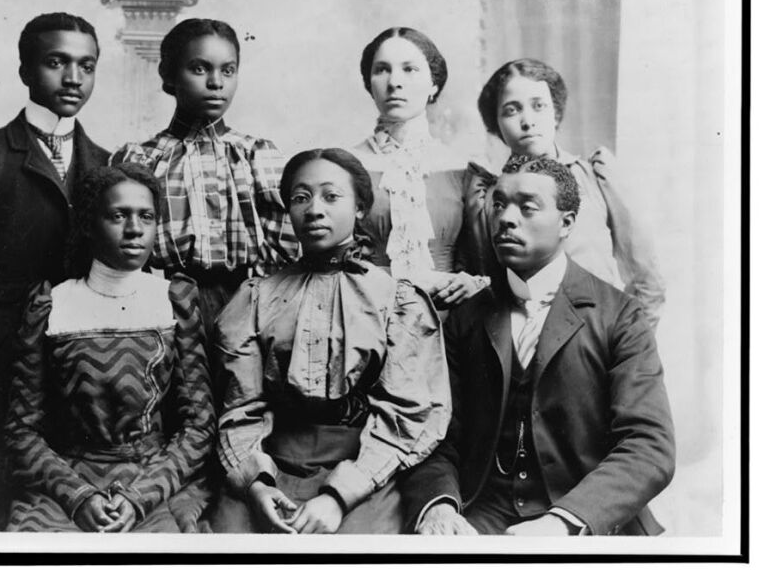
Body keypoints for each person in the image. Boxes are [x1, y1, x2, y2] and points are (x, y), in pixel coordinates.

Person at [401, 155, 675, 536]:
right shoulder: (467, 317)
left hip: (588, 519)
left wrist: (562, 522)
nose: (506, 218)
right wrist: (440, 507)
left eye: (527, 207)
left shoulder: (619, 315)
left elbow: (649, 445)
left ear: (567, 223)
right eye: (499, 205)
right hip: (483, 514)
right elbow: (436, 435)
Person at [0, 12, 110, 530]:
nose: (73, 78)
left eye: (87, 65)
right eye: (56, 62)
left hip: (87, 382)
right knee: (11, 521)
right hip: (5, 383)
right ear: (26, 70)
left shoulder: (105, 162)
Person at [211, 148, 452, 534]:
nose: (314, 209)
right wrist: (256, 486)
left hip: (363, 467)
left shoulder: (395, 300)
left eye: (331, 196)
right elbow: (240, 408)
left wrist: (339, 496)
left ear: (360, 208)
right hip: (270, 460)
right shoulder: (257, 297)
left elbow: (407, 413)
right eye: (300, 198)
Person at [5, 163, 216, 532]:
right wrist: (78, 497)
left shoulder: (174, 301)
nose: (134, 230)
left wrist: (141, 496)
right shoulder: (51, 305)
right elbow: (22, 430)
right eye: (118, 216)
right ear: (89, 224)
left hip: (154, 482)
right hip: (67, 485)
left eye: (146, 217)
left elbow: (199, 425)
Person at [110, 18, 299, 341]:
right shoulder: (141, 159)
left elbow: (286, 252)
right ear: (169, 76)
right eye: (199, 69)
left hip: (249, 310)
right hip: (163, 306)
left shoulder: (255, 155)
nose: (216, 83)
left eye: (228, 70)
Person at [477, 58, 665, 330]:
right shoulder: (486, 197)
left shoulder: (596, 178)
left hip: (596, 343)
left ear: (555, 113)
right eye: (511, 110)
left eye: (538, 106)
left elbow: (646, 278)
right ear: (495, 124)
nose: (528, 121)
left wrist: (630, 351)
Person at [353, 26, 492, 310]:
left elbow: (487, 261)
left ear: (434, 85)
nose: (394, 82)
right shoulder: (344, 166)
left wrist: (472, 282)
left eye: (409, 69)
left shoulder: (466, 170)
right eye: (382, 70)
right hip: (366, 316)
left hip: (449, 322)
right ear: (369, 83)